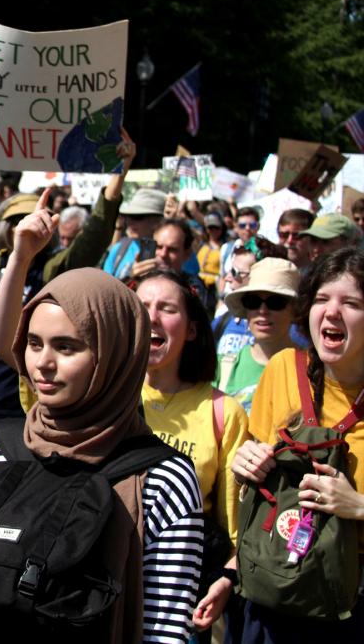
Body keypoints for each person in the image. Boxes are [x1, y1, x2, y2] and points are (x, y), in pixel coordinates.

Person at [0, 267, 204, 643]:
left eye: (66, 346)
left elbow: (165, 627)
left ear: (114, 354)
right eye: (34, 342)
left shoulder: (162, 477)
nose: (43, 362)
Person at [0, 132, 136, 479]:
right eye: (17, 221)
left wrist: (117, 175)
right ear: (3, 227)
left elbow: (94, 238)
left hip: (16, 416)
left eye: (36, 219)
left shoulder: (53, 273)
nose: (26, 227)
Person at [232, 247, 364, 640]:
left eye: (351, 302)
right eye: (322, 299)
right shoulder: (283, 369)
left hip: (350, 602)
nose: (332, 312)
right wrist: (246, 461)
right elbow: (254, 478)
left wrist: (357, 506)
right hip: (275, 582)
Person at [131, 270, 250, 635]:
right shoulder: (106, 395)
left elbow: (235, 528)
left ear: (193, 329)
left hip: (181, 599)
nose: (152, 316)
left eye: (166, 308)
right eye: (143, 306)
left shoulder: (222, 412)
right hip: (106, 582)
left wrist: (227, 580)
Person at [215, 259, 299, 413]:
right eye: (253, 301)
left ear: (294, 310)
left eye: (275, 302)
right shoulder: (222, 367)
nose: (263, 311)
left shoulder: (313, 369)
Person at [100, 187, 166, 281]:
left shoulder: (170, 254)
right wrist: (132, 280)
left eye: (137, 217)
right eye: (128, 216)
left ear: (157, 221)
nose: (130, 222)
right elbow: (106, 286)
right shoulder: (118, 248)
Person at [219, 207, 261, 296]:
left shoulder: (263, 250)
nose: (247, 228)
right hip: (227, 300)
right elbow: (223, 277)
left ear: (258, 226)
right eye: (242, 225)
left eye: (252, 225)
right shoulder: (226, 248)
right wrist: (220, 300)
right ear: (236, 226)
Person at [297, 213, 363, 263]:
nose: (316, 249)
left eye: (326, 241)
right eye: (313, 241)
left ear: (349, 244)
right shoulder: (304, 274)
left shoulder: (357, 277)